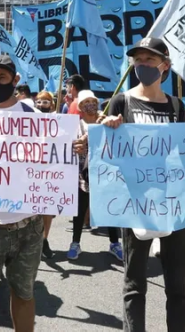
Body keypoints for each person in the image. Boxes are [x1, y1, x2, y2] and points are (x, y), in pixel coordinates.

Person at [101, 37, 185, 332]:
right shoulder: (121, 101)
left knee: (177, 285)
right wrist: (108, 130)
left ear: (165, 66)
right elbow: (105, 155)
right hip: (135, 203)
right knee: (134, 283)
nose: (143, 65)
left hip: (174, 204)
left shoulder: (177, 105)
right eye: (138, 60)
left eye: (150, 60)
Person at [0, 55, 66, 332]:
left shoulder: (36, 119)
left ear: (15, 80)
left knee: (24, 294)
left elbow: (53, 163)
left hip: (27, 225)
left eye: (1, 78)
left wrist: (71, 150)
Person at [67, 90, 122, 262]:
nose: (89, 105)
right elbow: (70, 146)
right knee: (80, 210)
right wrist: (76, 147)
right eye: (85, 103)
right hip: (83, 176)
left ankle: (115, 243)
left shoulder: (106, 119)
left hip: (106, 174)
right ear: (80, 107)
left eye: (92, 101)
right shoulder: (76, 125)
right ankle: (75, 242)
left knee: (110, 209)